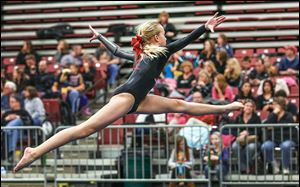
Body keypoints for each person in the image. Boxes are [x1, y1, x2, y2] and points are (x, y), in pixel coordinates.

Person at [14, 13, 243, 173]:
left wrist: (100, 37)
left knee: (179, 105)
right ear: (156, 38)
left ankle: (226, 107)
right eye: (163, 34)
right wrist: (204, 28)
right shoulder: (160, 51)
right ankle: (34, 151)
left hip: (140, 99)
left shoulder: (143, 53)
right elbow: (182, 42)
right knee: (85, 129)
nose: (166, 37)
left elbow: (116, 50)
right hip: (128, 97)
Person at [261, 97, 296, 174]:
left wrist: (273, 127)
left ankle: (285, 167)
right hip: (273, 139)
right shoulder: (272, 115)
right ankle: (274, 165)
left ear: (280, 105)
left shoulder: (288, 115)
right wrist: (274, 114)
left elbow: (286, 128)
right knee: (265, 146)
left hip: (287, 139)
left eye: (274, 104)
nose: (273, 106)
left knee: (285, 146)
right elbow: (266, 125)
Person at [231, 99, 262, 174]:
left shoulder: (256, 118)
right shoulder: (238, 118)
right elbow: (233, 130)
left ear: (253, 108)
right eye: (247, 106)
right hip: (241, 139)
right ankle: (243, 169)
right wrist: (240, 134)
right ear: (243, 107)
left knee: (250, 147)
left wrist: (247, 133)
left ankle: (251, 166)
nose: (248, 107)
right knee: (235, 146)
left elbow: (259, 131)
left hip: (253, 140)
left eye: (251, 106)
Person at [1, 95, 32, 162]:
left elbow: (30, 122)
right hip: (10, 134)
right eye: (10, 102)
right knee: (14, 130)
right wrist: (6, 119)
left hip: (21, 134)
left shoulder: (23, 112)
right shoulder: (7, 113)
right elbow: (1, 124)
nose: (10, 103)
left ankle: (7, 129)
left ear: (18, 103)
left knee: (18, 121)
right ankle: (11, 154)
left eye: (12, 102)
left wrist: (17, 117)